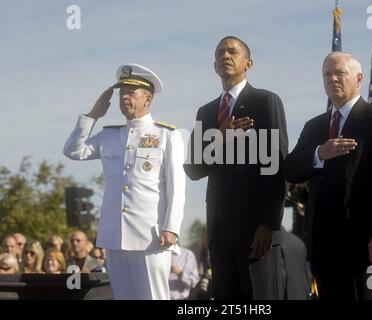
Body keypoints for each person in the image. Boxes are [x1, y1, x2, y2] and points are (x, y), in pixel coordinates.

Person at [285, 52, 372, 300]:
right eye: (327, 75)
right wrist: (320, 152)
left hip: (368, 248)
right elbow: (291, 168)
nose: (332, 79)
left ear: (359, 78)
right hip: (324, 248)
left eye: (339, 73)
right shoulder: (314, 126)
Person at [63, 63, 185, 299]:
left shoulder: (167, 135)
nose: (124, 98)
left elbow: (176, 187)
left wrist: (171, 227)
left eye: (131, 93)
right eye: (122, 93)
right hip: (116, 235)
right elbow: (73, 151)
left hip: (152, 237)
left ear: (147, 99)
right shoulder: (109, 135)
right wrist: (92, 115)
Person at [184, 36, 288, 299]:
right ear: (214, 66)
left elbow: (275, 164)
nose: (225, 56)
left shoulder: (265, 101)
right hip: (219, 228)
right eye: (220, 53)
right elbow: (194, 170)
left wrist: (268, 222)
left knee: (257, 297)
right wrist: (218, 137)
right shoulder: (205, 112)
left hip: (255, 229)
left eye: (233, 51)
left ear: (248, 62)